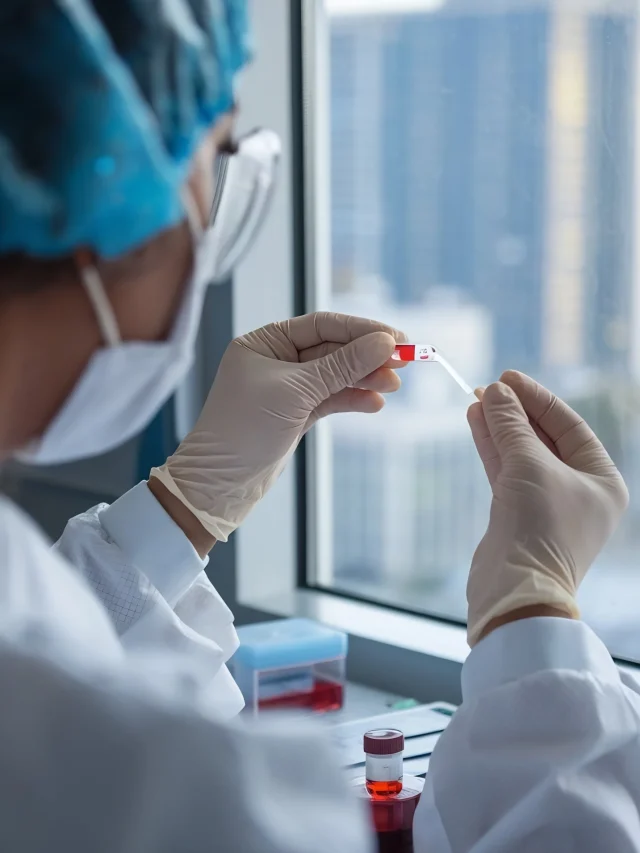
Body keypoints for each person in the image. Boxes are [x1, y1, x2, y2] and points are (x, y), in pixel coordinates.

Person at [1, 4, 640, 853]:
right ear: (99, 197)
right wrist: (536, 611)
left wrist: (186, 504)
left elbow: (53, 652)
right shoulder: (155, 789)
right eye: (216, 158)